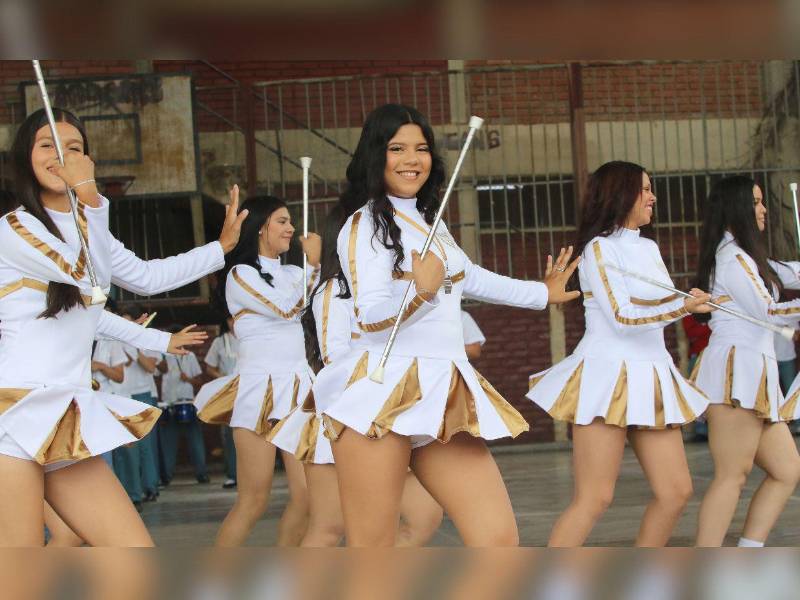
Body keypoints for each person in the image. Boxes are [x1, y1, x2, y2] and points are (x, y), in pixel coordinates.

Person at [320, 103, 579, 547]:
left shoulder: (430, 223)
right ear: (375, 155)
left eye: (421, 149)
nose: (412, 159)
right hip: (380, 391)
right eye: (397, 148)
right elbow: (371, 317)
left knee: (498, 541)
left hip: (441, 388)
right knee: (373, 552)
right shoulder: (363, 225)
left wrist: (541, 293)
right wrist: (419, 295)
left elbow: (469, 276)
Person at [0, 107, 245, 546]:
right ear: (25, 157)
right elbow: (86, 275)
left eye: (74, 147)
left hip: (63, 413)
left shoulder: (89, 226)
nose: (61, 155)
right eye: (48, 146)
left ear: (88, 159)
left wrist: (219, 248)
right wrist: (91, 199)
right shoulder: (14, 228)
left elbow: (147, 277)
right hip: (13, 411)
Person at [527, 160, 713, 547]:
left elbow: (660, 302)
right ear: (619, 194)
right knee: (595, 498)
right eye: (644, 189)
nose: (652, 197)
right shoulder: (599, 248)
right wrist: (682, 306)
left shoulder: (648, 247)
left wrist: (690, 301)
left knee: (676, 492)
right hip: (606, 376)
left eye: (651, 189)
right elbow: (623, 317)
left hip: (652, 373)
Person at [269, 206, 444, 547]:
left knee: (425, 516)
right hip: (345, 418)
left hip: (390, 415)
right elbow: (333, 359)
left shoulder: (392, 287)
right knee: (329, 529)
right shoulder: (333, 291)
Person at [194, 194, 321, 547]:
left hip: (299, 389)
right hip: (258, 391)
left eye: (290, 221)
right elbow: (286, 309)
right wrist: (314, 267)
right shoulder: (241, 275)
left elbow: (321, 304)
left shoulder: (294, 273)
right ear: (260, 228)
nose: (291, 228)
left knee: (307, 498)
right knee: (253, 500)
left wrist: (317, 270)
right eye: (282, 221)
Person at [691, 175, 800, 547]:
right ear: (736, 207)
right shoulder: (732, 259)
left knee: (787, 470)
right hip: (736, 373)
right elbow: (768, 311)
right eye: (755, 202)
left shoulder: (746, 255)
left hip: (756, 373)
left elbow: (788, 272)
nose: (763, 209)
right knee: (732, 475)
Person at [158, 330, 208, 484]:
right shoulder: (163, 356)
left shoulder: (190, 356)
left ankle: (202, 473)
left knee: (195, 441)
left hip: (187, 402)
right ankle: (167, 476)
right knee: (169, 443)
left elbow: (199, 381)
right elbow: (157, 371)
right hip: (169, 403)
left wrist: (188, 379)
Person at [204, 315, 239, 488]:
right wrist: (223, 377)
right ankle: (232, 473)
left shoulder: (250, 338)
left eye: (235, 318)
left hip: (250, 388)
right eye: (230, 320)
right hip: (229, 391)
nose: (233, 323)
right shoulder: (220, 342)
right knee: (229, 433)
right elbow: (209, 367)